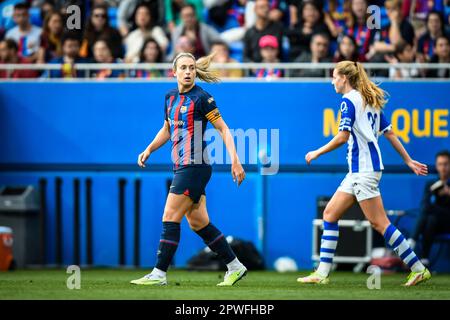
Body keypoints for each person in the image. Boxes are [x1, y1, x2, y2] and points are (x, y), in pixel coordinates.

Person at [297, 60, 431, 286]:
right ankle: (321, 273)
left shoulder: (348, 101)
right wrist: (408, 160)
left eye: (334, 77)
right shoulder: (370, 100)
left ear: (344, 79)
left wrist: (316, 152)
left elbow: (342, 137)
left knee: (380, 223)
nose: (332, 81)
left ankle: (418, 269)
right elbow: (390, 134)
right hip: (360, 171)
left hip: (364, 171)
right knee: (329, 214)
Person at [131, 52, 248, 286]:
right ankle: (235, 266)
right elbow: (167, 128)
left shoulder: (202, 98)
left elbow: (224, 129)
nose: (188, 72)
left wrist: (235, 160)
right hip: (181, 165)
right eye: (183, 68)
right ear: (173, 72)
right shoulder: (170, 97)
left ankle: (159, 274)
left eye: (192, 68)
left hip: (195, 165)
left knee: (169, 216)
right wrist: (149, 149)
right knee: (198, 222)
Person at [408, 150, 450, 266]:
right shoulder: (431, 184)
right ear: (436, 166)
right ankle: (425, 259)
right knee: (430, 218)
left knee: (429, 212)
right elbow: (424, 204)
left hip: (447, 221)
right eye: (440, 164)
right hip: (434, 222)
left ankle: (412, 240)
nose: (443, 168)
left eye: (446, 164)